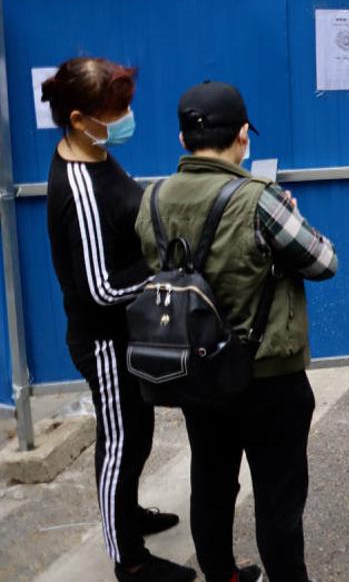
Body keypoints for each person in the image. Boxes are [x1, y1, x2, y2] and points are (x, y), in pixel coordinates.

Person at [136, 82, 337, 582]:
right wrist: (285, 214)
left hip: (197, 370)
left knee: (211, 480)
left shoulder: (153, 198)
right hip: (268, 373)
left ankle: (222, 574)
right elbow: (323, 262)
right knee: (277, 494)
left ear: (183, 140)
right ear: (243, 137)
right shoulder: (259, 200)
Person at [41, 58, 197, 582]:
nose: (127, 118)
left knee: (138, 435)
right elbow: (100, 288)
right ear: (81, 117)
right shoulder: (79, 187)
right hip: (102, 342)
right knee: (121, 443)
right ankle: (128, 560)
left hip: (121, 335)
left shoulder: (96, 153)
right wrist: (165, 278)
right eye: (117, 111)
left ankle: (126, 517)